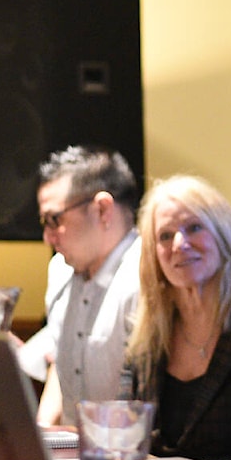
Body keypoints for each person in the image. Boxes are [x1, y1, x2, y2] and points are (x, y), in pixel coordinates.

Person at [120, 175, 231, 460]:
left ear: (224, 234)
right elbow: (125, 437)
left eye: (194, 228)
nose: (180, 244)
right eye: (165, 236)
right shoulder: (145, 337)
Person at [29, 145, 141, 425]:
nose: (47, 237)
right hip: (71, 456)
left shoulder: (145, 275)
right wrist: (41, 437)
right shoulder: (60, 269)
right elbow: (59, 365)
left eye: (54, 219)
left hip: (126, 457)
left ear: (103, 209)